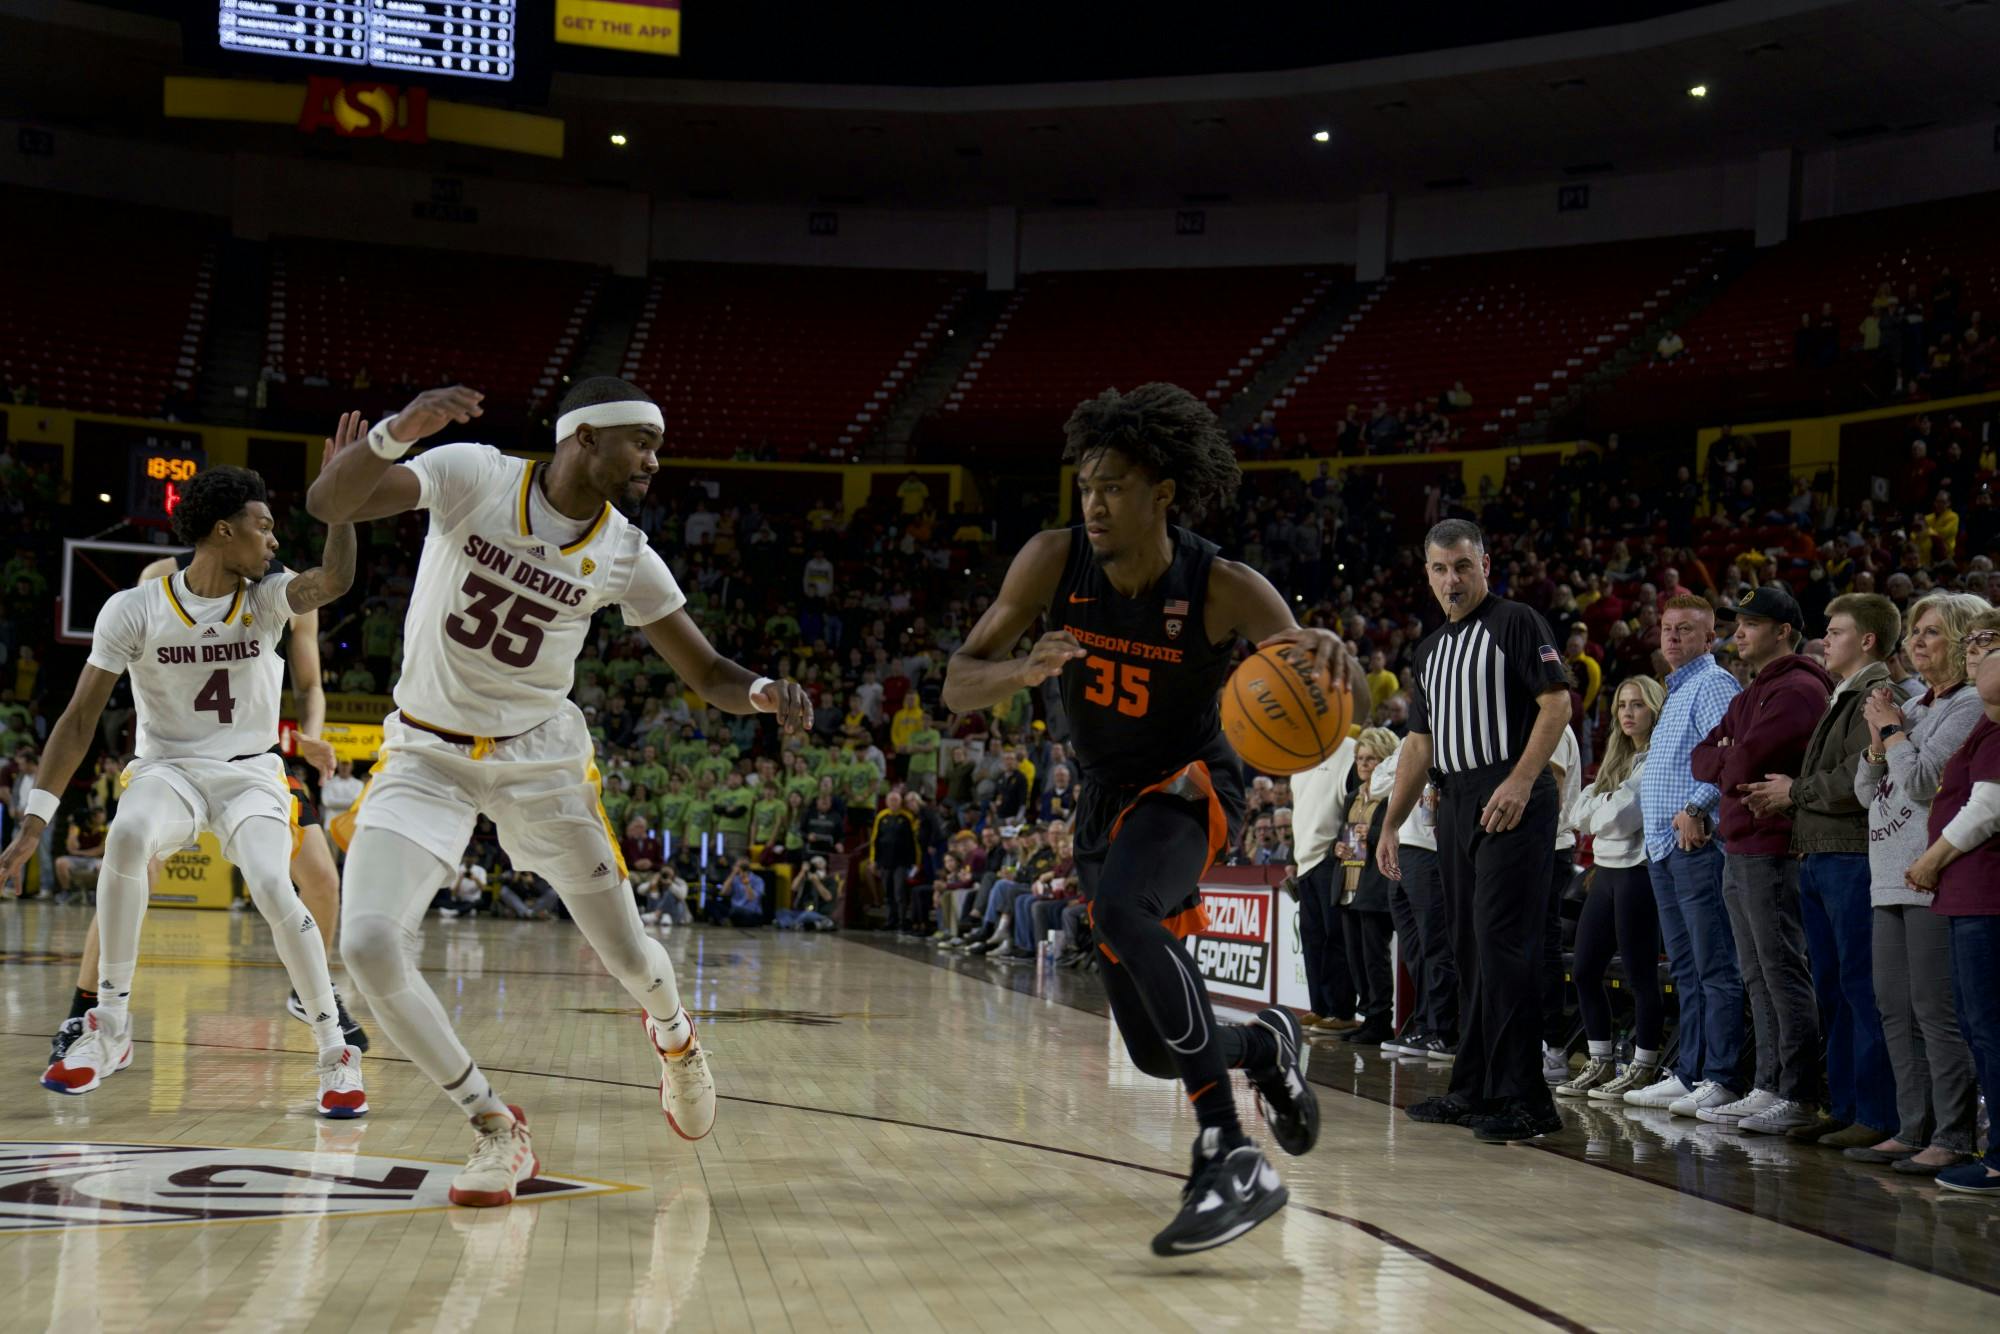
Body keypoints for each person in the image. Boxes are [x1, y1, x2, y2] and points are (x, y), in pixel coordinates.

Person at [306, 379, 811, 1207]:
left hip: (540, 761)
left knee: (629, 957)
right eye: (641, 441)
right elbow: (331, 501)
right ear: (584, 438)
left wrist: (761, 692)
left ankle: (676, 1037)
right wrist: (397, 432)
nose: (654, 460)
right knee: (365, 944)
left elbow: (706, 670)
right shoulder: (475, 474)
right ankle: (494, 1125)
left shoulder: (625, 552)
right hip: (426, 752)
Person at [943, 382, 1363, 1255]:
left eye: (1115, 487)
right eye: (1086, 487)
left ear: (1163, 494)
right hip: (1104, 799)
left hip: (1188, 786)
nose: (1095, 504)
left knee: (1125, 912)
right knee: (1153, 1051)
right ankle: (1264, 1045)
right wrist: (1020, 672)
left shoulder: (1220, 585)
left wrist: (1338, 657)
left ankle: (1228, 1154)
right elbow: (957, 683)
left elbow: (1329, 687)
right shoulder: (1053, 561)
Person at [0, 458, 366, 1119]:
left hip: (250, 772)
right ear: (224, 531)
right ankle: (109, 1025)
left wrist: (340, 506)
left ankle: (334, 1050)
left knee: (271, 878)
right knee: (129, 836)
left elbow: (334, 579)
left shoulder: (267, 597)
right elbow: (79, 719)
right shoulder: (135, 607)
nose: (274, 540)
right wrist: (34, 821)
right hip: (167, 769)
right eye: (263, 527)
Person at [1377, 519, 1574, 1143]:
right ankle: (1473, 1088)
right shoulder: (1429, 650)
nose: (1452, 580)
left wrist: (1521, 781)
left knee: (1503, 945)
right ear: (1427, 574)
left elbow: (1557, 704)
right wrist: (1390, 822)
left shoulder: (1517, 622)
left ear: (1485, 565)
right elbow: (1418, 744)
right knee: (1467, 948)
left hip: (1511, 792)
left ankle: (1527, 1100)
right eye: (1440, 569)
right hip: (1457, 799)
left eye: (1462, 566)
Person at [1741, 592, 1897, 1138]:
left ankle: (1875, 1113)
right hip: (1822, 852)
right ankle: (1846, 1108)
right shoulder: (1843, 694)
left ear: (1868, 640)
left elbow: (1857, 778)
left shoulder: (1876, 695)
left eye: (1836, 632)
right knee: (1832, 988)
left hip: (1851, 855)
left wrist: (1796, 791)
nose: (1824, 640)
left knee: (1859, 988)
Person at [1850, 595, 1987, 1173]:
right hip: (1887, 874)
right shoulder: (1913, 706)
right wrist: (1879, 741)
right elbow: (1867, 791)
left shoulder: (1969, 704)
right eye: (1913, 632)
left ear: (1961, 640)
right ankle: (1913, 1128)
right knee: (1895, 1010)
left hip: (1931, 873)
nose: (1915, 642)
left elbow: (1925, 781)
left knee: (1935, 1011)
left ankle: (1952, 1135)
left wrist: (1890, 731)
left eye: (1931, 632)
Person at [1688, 586, 1827, 1126]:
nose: (1738, 633)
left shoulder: (1799, 689)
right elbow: (1703, 756)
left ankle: (1798, 1092)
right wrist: (1726, 758)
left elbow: (1742, 762)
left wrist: (1728, 757)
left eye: (1750, 624)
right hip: (1740, 844)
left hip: (1773, 847)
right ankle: (1768, 1083)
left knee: (1781, 970)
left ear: (1784, 631)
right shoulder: (1751, 693)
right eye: (1737, 623)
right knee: (1757, 974)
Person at [1624, 595, 1745, 1112]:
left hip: (1696, 844)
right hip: (1664, 847)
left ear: (1710, 637)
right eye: (1667, 628)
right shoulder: (1677, 691)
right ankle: (1690, 1072)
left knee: (1714, 966)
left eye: (1685, 630)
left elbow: (1732, 758)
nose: (1672, 637)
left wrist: (1697, 807)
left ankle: (1721, 1076)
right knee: (1687, 969)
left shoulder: (1713, 683)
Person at [1903, 624, 2000, 1196]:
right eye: (1974, 646)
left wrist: (1931, 859)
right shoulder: (1986, 725)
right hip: (1969, 894)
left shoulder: (1994, 728)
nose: (1976, 654)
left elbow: (1988, 807)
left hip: (1986, 893)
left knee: (1989, 1026)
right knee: (1977, 1024)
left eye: (1990, 646)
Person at [1556, 677, 1667, 1101]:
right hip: (1603, 873)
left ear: (1654, 709)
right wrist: (1606, 806)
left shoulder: (1656, 759)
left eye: (1637, 704)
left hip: (1638, 874)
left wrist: (1600, 808)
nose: (1627, 713)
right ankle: (1600, 1059)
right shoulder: (1616, 761)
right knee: (1585, 969)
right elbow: (1577, 812)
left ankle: (1644, 1065)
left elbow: (1619, 819)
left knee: (1640, 976)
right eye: (1622, 704)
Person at [1370, 738, 1457, 1061]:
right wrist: (1408, 760)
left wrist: (1412, 764)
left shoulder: (1444, 737)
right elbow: (1376, 784)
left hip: (1429, 851)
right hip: (1399, 848)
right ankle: (1423, 1025)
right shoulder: (1410, 743)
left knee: (1435, 946)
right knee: (1413, 950)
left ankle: (1443, 1030)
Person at [1287, 732, 1360, 1034]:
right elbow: (1300, 810)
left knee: (1336, 939)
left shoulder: (1350, 749)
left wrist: (1354, 859)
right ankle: (1319, 1008)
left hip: (1334, 859)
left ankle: (1342, 1011)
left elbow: (1359, 807)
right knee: (1312, 939)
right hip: (1305, 862)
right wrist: (1292, 854)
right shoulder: (1299, 756)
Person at [1335, 729, 1399, 1046]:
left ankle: (1380, 1020)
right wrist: (1337, 847)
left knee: (1375, 959)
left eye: (1371, 758)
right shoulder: (1352, 796)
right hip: (1348, 884)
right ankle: (1368, 1018)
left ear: (1385, 760)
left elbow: (1396, 835)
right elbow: (1345, 834)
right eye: (1360, 758)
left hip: (1375, 886)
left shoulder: (1392, 795)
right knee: (1356, 959)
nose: (1363, 764)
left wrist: (1370, 834)